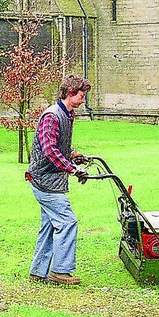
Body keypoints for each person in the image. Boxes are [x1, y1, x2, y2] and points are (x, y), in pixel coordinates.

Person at [26, 73, 91, 285]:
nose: (83, 100)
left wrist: (73, 155)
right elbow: (50, 152)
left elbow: (59, 146)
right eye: (81, 96)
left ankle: (38, 271)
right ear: (70, 94)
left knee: (49, 225)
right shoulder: (52, 116)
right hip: (44, 181)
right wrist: (73, 170)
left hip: (50, 180)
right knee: (67, 221)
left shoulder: (67, 115)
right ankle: (60, 272)